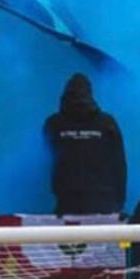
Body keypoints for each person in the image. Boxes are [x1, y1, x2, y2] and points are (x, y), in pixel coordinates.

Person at [42, 73, 126, 215]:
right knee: (103, 237)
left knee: (69, 237)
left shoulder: (54, 124)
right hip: (104, 200)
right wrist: (120, 199)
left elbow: (46, 156)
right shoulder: (107, 123)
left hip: (67, 200)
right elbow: (119, 163)